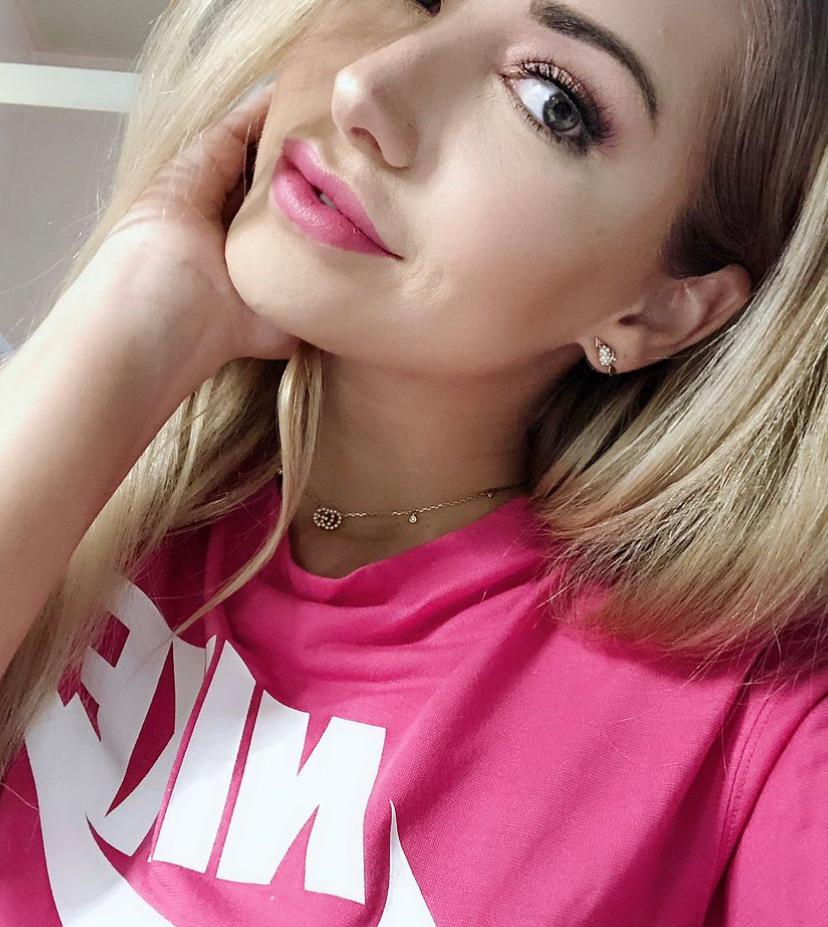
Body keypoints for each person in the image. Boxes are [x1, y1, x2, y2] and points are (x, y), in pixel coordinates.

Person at [0, 0, 825, 922]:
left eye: (552, 101)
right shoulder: (81, 457)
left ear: (659, 309)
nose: (367, 88)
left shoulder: (760, 728)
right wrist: (137, 311)